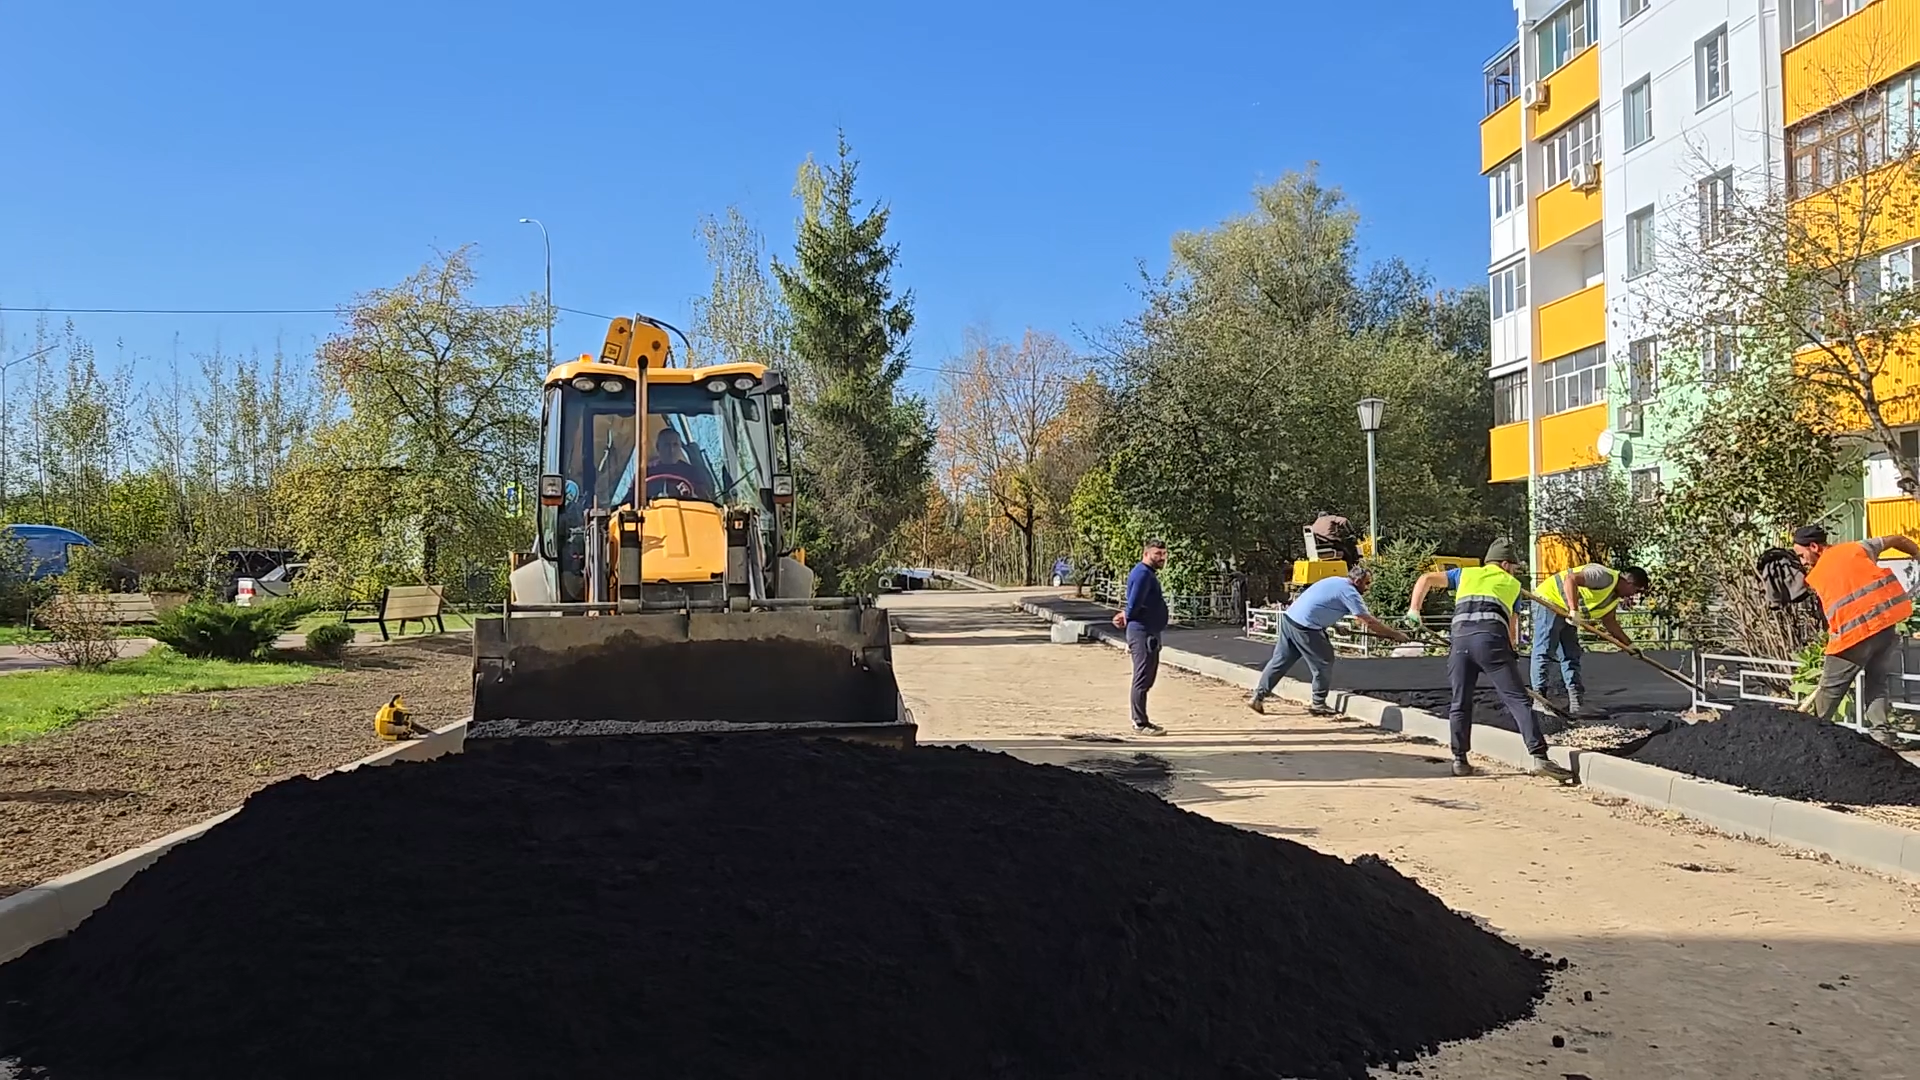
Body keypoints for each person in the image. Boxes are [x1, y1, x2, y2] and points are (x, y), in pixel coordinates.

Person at [1405, 540, 1573, 780]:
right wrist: (1511, 652)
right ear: (1505, 564)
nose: (1514, 571)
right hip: (1492, 642)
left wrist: (1414, 609)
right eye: (1513, 566)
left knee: (1460, 702)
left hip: (1460, 642)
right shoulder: (1512, 584)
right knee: (1517, 700)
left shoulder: (1465, 574)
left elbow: (1426, 579)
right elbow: (1511, 629)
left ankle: (1460, 760)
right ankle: (1540, 757)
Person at [1792, 525, 1920, 747]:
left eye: (1802, 555)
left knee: (1830, 691)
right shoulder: (1859, 548)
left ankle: (1811, 741)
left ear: (1814, 546)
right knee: (1877, 683)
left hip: (1853, 639)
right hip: (1885, 629)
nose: (1803, 561)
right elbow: (1897, 538)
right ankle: (1881, 737)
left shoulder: (1817, 574)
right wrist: (1917, 554)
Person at [1248, 564, 1410, 716]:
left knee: (1280, 661)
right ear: (1358, 581)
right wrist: (1395, 634)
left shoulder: (1335, 581)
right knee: (1323, 661)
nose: (1367, 588)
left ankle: (1258, 696)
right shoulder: (1350, 592)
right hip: (1306, 628)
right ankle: (1318, 703)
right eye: (1366, 584)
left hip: (1290, 620)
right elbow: (1367, 621)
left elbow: (1319, 603)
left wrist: (1335, 624)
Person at [1531, 562, 1651, 715]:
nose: (1633, 595)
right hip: (1550, 601)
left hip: (1568, 611)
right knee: (1545, 650)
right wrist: (1574, 610)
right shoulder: (1603, 576)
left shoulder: (1613, 598)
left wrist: (1629, 646)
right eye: (1635, 590)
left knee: (1571, 654)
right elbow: (1571, 579)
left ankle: (1576, 703)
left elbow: (1610, 623)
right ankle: (1539, 700)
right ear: (1629, 582)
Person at [1112, 539, 1171, 736]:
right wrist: (1127, 615)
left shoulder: (1148, 574)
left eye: (1163, 554)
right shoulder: (1142, 574)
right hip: (1142, 632)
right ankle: (1139, 722)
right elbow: (1135, 601)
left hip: (1149, 631)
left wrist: (1126, 614)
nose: (1161, 558)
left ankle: (1143, 719)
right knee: (1142, 677)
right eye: (1157, 554)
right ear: (1146, 554)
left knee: (1148, 677)